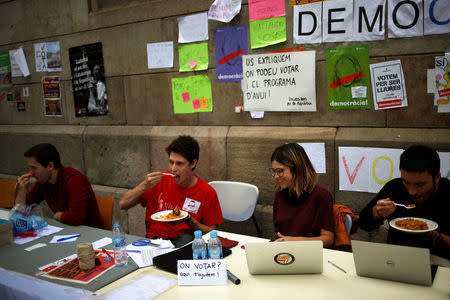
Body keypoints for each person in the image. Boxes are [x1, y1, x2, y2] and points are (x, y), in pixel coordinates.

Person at [119, 135, 223, 248]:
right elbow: (123, 204)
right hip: (154, 240)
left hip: (184, 242)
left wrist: (190, 221)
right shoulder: (158, 181)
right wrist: (144, 185)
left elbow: (212, 233)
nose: (173, 168)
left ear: (193, 163)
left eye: (179, 163)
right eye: (171, 162)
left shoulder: (207, 192)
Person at [359, 145, 450, 259]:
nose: (412, 192)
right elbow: (363, 223)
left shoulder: (447, 192)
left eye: (420, 184)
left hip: (439, 261)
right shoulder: (395, 187)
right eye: (406, 182)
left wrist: (436, 237)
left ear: (437, 178)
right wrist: (376, 213)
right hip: (397, 258)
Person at [15, 143, 101, 227]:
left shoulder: (74, 180)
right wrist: (22, 190)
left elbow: (76, 218)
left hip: (90, 233)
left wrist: (59, 215)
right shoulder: (43, 181)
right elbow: (21, 212)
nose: (31, 173)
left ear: (50, 166)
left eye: (34, 168)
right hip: (67, 229)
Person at [270, 143, 335, 248]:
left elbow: (328, 239)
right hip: (285, 253)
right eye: (274, 171)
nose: (276, 176)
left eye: (280, 171)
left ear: (297, 169)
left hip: (311, 254)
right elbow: (279, 233)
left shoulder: (321, 196)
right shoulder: (280, 193)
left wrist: (295, 241)